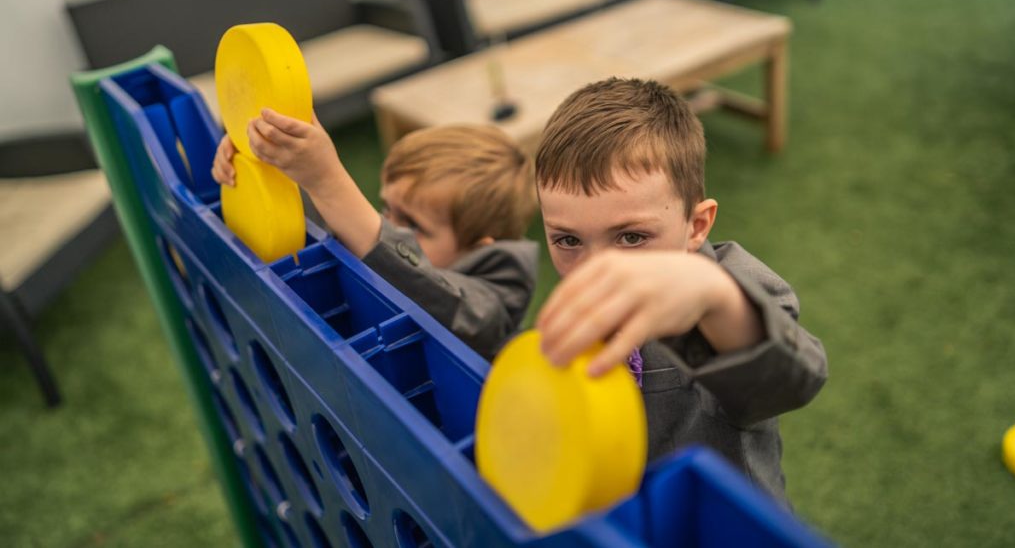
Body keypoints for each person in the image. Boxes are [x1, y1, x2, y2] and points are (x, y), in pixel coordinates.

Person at [532, 77, 827, 503]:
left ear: (696, 225)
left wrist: (715, 299)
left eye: (631, 237)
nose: (597, 269)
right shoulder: (584, 295)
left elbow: (793, 382)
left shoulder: (732, 289)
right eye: (568, 240)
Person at [212, 111, 537, 360]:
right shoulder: (392, 250)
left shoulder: (495, 297)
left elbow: (450, 303)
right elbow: (331, 234)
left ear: (476, 248)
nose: (390, 225)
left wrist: (327, 181)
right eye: (386, 208)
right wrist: (265, 165)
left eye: (413, 225)